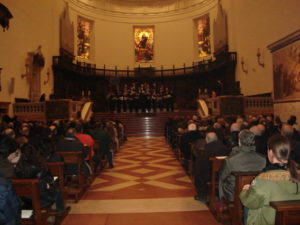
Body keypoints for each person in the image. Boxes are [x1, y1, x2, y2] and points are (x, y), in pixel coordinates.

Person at [240, 135, 300, 225]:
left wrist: (246, 191)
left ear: (271, 152)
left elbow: (250, 202)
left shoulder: (264, 179)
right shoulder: (296, 173)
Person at [219, 129, 266, 201]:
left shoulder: (230, 160)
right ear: (254, 141)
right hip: (256, 191)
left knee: (222, 180)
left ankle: (221, 202)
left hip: (235, 193)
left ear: (239, 141)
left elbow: (222, 177)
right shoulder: (263, 159)